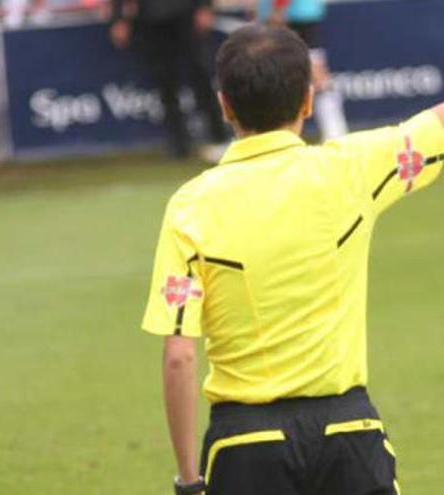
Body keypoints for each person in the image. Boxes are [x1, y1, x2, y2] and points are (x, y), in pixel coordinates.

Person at [141, 25, 443, 495]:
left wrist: (188, 479)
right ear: (307, 100)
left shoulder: (191, 205)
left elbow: (179, 354)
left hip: (245, 445)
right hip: (350, 436)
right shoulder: (351, 169)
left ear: (223, 104)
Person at [109, 0, 228, 161]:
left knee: (200, 76)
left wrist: (204, 6)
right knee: (164, 83)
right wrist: (118, 18)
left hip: (185, 14)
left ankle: (218, 137)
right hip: (150, 19)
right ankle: (178, 143)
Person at [254, 0, 349, 141]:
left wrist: (279, 9)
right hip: (285, 14)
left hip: (294, 16)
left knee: (315, 71)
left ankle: (335, 130)